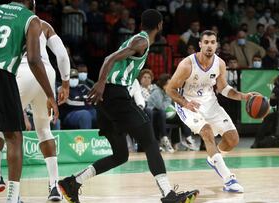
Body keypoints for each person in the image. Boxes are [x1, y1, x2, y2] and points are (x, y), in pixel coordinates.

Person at [58, 9, 198, 203]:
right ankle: (168, 194)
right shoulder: (141, 41)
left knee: (120, 155)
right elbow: (109, 59)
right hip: (115, 94)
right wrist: (100, 83)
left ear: (141, 25)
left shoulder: (137, 40)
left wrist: (102, 85)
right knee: (149, 140)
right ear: (159, 26)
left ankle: (73, 183)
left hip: (107, 98)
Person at [166, 30, 256, 193]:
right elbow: (170, 89)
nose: (209, 45)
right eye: (206, 42)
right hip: (189, 104)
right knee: (207, 132)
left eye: (212, 42)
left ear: (216, 45)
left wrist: (244, 96)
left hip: (210, 102)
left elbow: (223, 89)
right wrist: (185, 103)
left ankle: (214, 158)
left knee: (233, 139)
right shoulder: (187, 64)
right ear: (200, 45)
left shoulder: (220, 63)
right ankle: (229, 179)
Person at [0, 3, 70, 200]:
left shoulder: (3, 15)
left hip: (19, 73)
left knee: (4, 129)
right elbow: (62, 54)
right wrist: (64, 84)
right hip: (45, 73)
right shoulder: (41, 24)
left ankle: (0, 180)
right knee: (44, 130)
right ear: (33, 4)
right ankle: (54, 186)